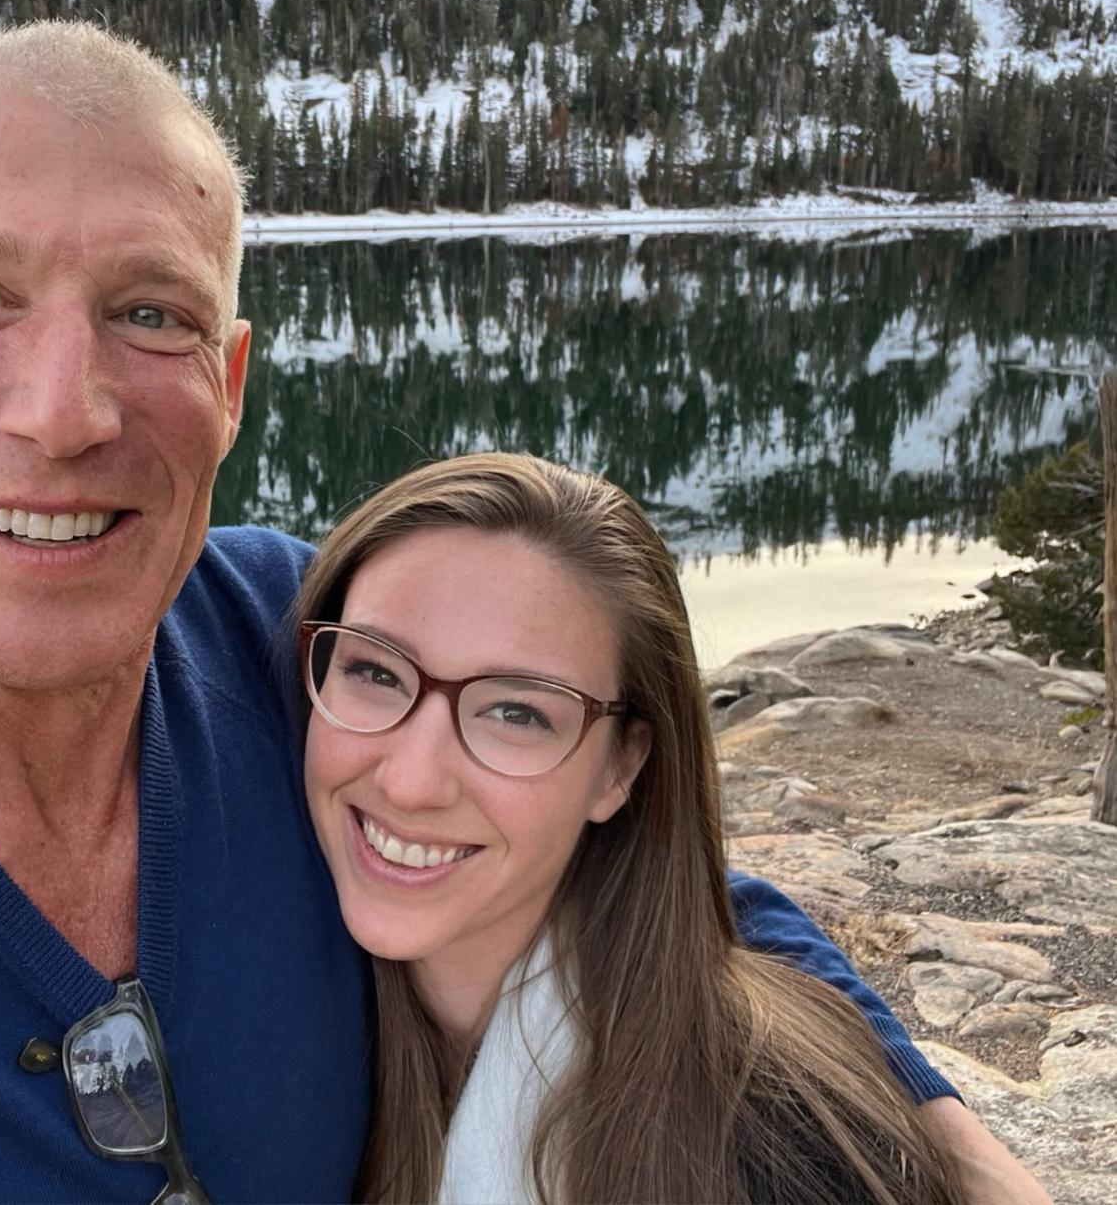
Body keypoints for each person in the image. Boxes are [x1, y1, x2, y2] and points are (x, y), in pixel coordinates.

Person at [0, 22, 1040, 1202]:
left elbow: (650, 885)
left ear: (231, 382)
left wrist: (960, 1152)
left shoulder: (286, 640)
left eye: (152, 314)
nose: (63, 414)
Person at [297, 452, 1053, 1204]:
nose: (410, 781)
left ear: (621, 767)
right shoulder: (292, 984)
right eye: (376, 672)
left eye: (516, 713)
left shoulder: (777, 1154)